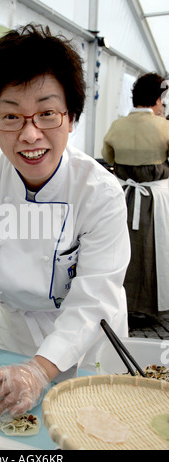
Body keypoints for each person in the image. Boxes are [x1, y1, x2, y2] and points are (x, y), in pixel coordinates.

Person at [0, 24, 130, 419]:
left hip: (86, 340)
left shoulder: (99, 192)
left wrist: (40, 370)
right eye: (11, 117)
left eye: (46, 113)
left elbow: (94, 297)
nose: (30, 134)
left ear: (71, 117)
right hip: (16, 329)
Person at [101, 73, 169, 323]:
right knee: (153, 249)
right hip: (156, 200)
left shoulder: (117, 126)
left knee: (122, 247)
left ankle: (122, 301)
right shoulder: (164, 126)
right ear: (157, 99)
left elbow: (108, 156)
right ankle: (149, 306)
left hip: (124, 196)